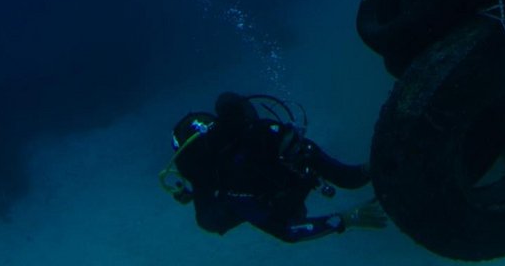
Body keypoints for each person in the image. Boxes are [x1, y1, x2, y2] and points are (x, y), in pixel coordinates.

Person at [163, 92, 387, 243]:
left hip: (260, 176)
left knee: (290, 192)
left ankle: (193, 191)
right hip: (224, 197)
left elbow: (348, 177)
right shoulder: (240, 186)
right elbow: (288, 231)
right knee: (214, 218)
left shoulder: (286, 142)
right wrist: (345, 219)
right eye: (291, 150)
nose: (300, 152)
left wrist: (375, 168)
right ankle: (195, 192)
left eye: (295, 144)